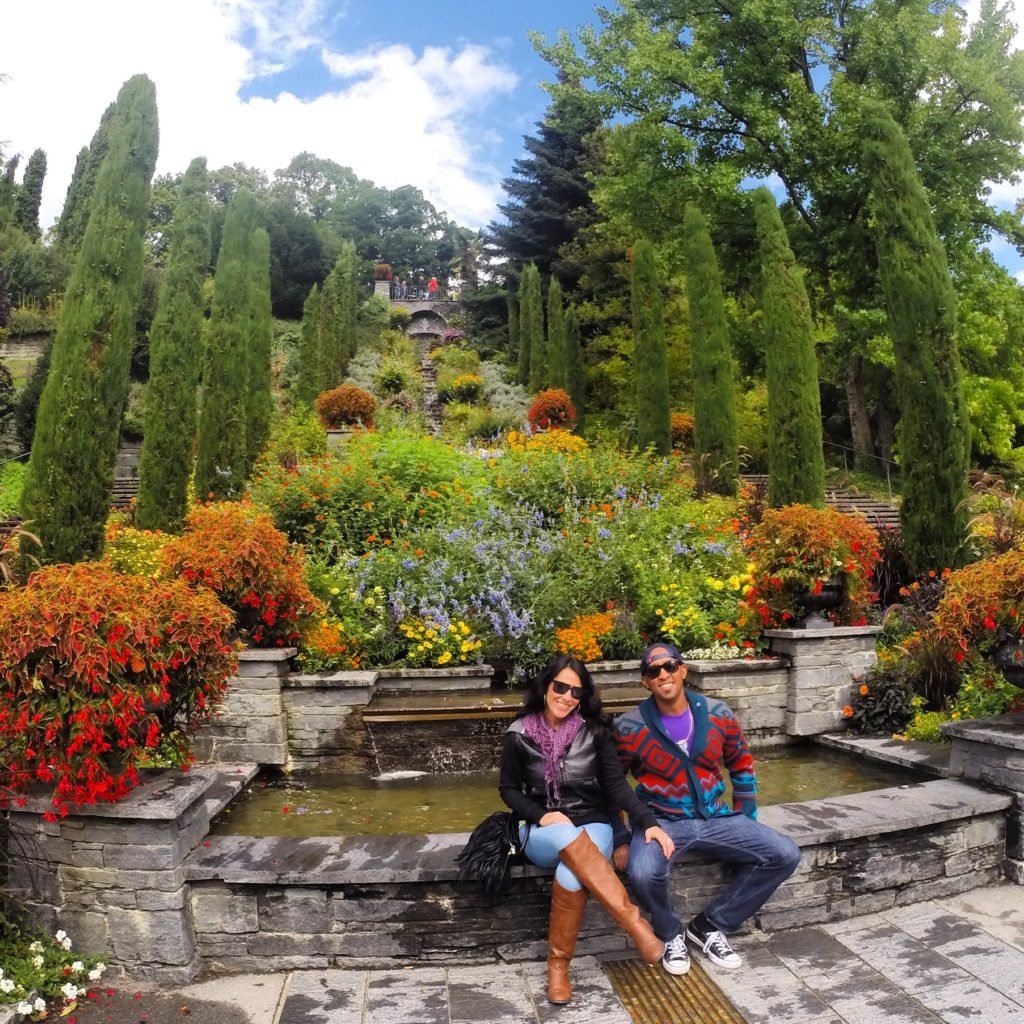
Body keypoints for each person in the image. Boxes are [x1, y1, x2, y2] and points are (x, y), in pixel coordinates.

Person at [614, 642, 801, 977]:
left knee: (785, 854)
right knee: (642, 872)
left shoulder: (718, 714)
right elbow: (613, 786)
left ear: (683, 670)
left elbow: (741, 765)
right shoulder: (629, 728)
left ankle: (710, 925)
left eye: (669, 666)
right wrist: (621, 837)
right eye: (653, 671)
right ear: (645, 682)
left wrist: (746, 820)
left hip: (716, 817)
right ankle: (670, 933)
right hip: (661, 821)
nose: (663, 675)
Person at [499, 654, 674, 1005]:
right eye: (560, 687)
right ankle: (637, 925)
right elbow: (508, 790)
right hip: (542, 831)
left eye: (575, 692)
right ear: (546, 686)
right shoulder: (518, 734)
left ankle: (558, 967)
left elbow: (616, 787)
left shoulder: (594, 731)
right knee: (565, 835)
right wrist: (541, 814)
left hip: (594, 824)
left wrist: (648, 823)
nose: (566, 697)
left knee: (573, 874)